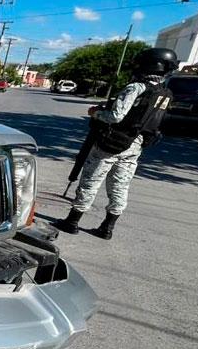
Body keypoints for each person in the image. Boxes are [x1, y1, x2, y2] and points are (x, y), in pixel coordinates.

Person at [54, 48, 177, 240]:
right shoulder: (165, 93)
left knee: (90, 181)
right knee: (119, 186)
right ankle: (107, 227)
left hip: (112, 143)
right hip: (135, 144)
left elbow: (116, 116)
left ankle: (72, 221)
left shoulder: (136, 87)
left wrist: (95, 112)